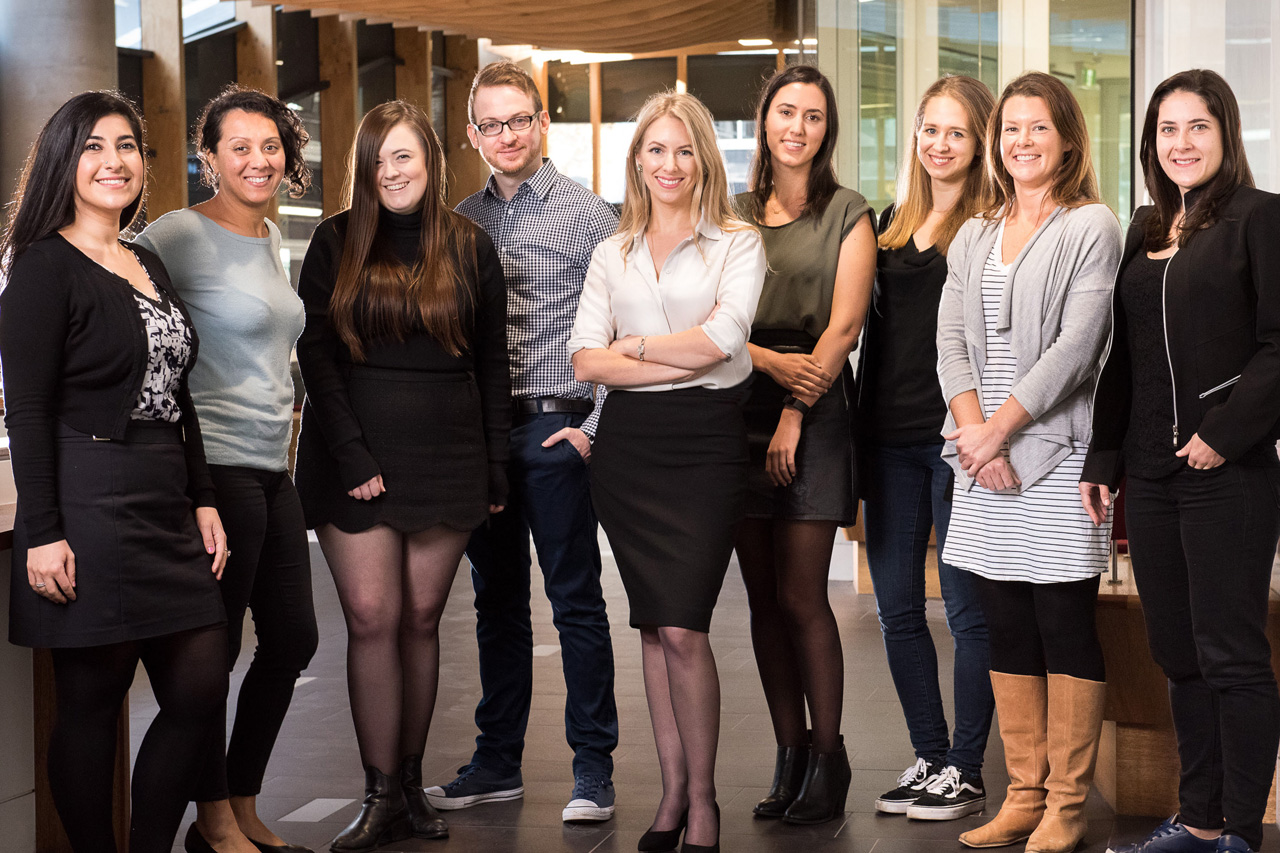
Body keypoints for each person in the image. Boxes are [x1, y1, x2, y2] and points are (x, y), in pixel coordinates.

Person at [0, 90, 229, 853]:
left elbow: (178, 391)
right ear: (64, 161)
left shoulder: (146, 260)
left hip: (164, 494)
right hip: (87, 497)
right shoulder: (41, 267)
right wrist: (42, 532)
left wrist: (201, 496)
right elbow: (26, 411)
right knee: (92, 702)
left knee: (200, 688)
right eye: (94, 146)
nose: (113, 161)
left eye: (127, 145)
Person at [293, 99, 510, 851]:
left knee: (421, 620)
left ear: (431, 163)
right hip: (352, 458)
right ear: (364, 168)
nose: (391, 171)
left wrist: (495, 465)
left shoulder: (471, 246)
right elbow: (316, 359)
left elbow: (491, 364)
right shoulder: (333, 243)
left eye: (404, 156)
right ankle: (379, 791)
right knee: (372, 618)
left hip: (450, 454)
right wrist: (353, 455)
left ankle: (412, 789)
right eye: (379, 159)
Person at [1081, 70, 1280, 853]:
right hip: (1150, 473)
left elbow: (1279, 346)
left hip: (1227, 473)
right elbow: (1121, 360)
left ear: (1225, 134)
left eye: (1198, 127)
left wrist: (1224, 431)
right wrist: (1105, 456)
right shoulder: (1144, 228)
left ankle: (1239, 828)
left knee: (1231, 652)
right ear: (1150, 141)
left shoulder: (1260, 219)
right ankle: (1196, 818)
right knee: (1176, 651)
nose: (1182, 143)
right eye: (1168, 129)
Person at [569, 90, 766, 853]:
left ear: (705, 158)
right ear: (637, 159)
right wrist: (660, 351)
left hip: (707, 443)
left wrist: (639, 349)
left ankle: (706, 799)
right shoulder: (611, 251)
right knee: (652, 626)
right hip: (629, 452)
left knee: (685, 624)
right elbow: (586, 359)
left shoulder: (736, 243)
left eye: (684, 150)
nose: (670, 164)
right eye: (656, 150)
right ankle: (673, 789)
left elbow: (722, 340)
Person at [424, 60, 620, 823]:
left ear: (542, 124)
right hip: (483, 431)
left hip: (554, 424)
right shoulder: (459, 221)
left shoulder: (589, 214)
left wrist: (591, 428)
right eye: (492, 123)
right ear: (473, 134)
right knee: (495, 600)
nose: (507, 135)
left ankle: (592, 768)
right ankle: (497, 761)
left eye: (520, 120)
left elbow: (620, 327)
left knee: (575, 599)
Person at [934, 71, 1123, 853]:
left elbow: (1078, 349)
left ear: (1068, 138)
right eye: (1010, 128)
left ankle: (1069, 807)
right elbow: (948, 340)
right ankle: (1023, 795)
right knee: (1003, 621)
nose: (1022, 141)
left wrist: (999, 432)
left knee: (1061, 621)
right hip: (986, 459)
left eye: (1038, 128)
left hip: (1053, 455)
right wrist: (975, 434)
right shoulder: (976, 231)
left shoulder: (1092, 225)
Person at [132, 85, 319, 853]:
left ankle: (239, 800)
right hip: (214, 471)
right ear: (207, 156)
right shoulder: (176, 235)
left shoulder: (270, 236)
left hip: (273, 468)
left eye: (269, 145)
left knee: (295, 639)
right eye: (238, 146)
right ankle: (211, 819)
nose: (257, 159)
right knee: (215, 655)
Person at [731, 64, 875, 825]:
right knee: (760, 599)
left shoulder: (849, 212)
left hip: (813, 413)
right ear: (765, 121)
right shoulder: (733, 213)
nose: (798, 127)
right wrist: (756, 363)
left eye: (813, 116)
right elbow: (715, 320)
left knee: (800, 593)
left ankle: (829, 755)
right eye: (785, 112)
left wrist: (792, 410)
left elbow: (843, 329)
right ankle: (788, 757)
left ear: (828, 129)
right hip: (735, 404)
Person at [859, 74, 997, 821]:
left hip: (954, 441)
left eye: (956, 133)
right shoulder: (888, 221)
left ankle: (968, 767)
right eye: (929, 130)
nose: (940, 144)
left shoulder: (989, 225)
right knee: (897, 608)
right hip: (886, 439)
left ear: (978, 144)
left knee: (969, 611)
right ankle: (930, 756)